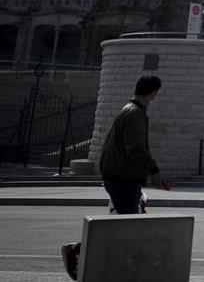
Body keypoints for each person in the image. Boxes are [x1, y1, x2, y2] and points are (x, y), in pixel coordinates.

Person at [61, 76, 172, 280]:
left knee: (124, 226)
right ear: (153, 92)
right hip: (122, 178)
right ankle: (78, 250)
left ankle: (110, 262)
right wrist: (154, 171)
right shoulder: (135, 114)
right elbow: (136, 148)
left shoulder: (130, 110)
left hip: (122, 178)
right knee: (128, 228)